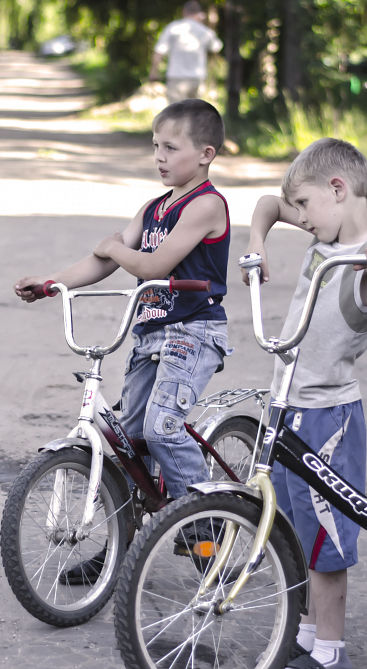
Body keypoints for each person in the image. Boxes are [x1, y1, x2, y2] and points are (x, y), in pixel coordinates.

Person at [13, 99, 232, 584]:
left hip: (192, 332)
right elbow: (104, 261)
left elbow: (149, 266)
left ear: (206, 154)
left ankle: (208, 529)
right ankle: (121, 547)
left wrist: (115, 245)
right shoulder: (152, 208)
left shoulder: (206, 206)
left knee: (161, 429)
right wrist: (52, 283)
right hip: (151, 333)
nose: (159, 157)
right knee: (130, 444)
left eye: (171, 148)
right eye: (155, 147)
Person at [242, 137, 367, 669]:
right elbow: (268, 206)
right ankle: (303, 634)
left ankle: (330, 651)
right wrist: (258, 243)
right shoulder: (325, 225)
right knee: (296, 529)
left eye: (305, 206)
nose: (298, 218)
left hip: (328, 418)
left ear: (338, 190)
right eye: (298, 209)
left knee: (325, 539)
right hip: (289, 409)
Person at [149, 1, 223, 103]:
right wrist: (208, 25)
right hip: (198, 78)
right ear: (199, 13)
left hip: (176, 77)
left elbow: (159, 51)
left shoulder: (172, 28)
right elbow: (216, 47)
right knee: (195, 114)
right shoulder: (204, 30)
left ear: (184, 12)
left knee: (175, 113)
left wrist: (154, 72)